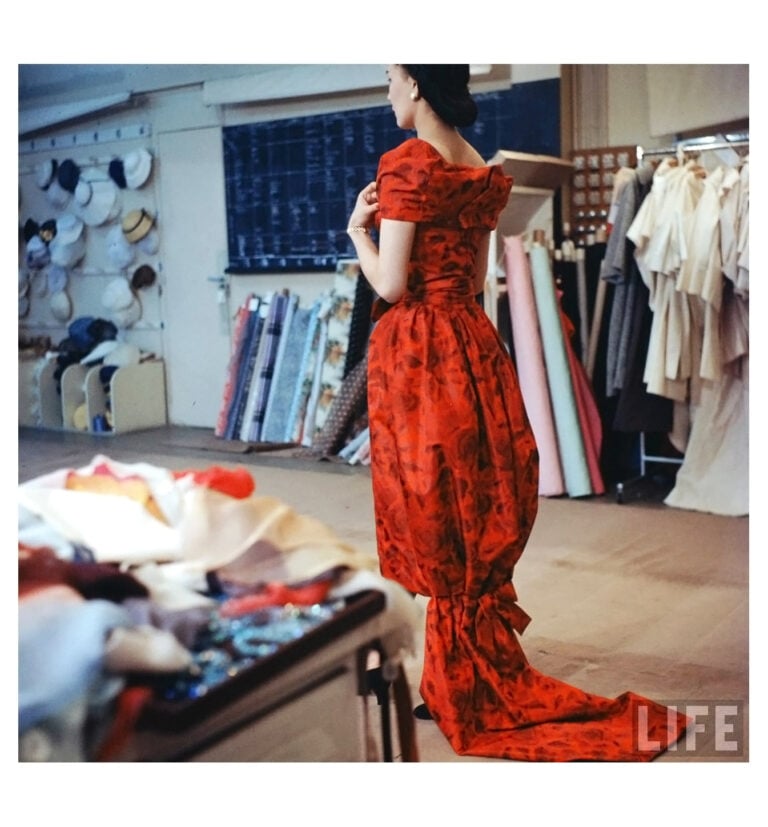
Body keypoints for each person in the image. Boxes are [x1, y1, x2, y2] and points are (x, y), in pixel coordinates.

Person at [346, 64, 688, 761]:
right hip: (470, 342)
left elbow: (389, 281)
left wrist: (359, 230)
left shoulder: (408, 165)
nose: (387, 94)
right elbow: (474, 282)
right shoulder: (479, 168)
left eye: (389, 79)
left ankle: (455, 678)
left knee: (431, 507)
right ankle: (461, 669)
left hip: (420, 355)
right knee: (469, 504)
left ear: (414, 83)